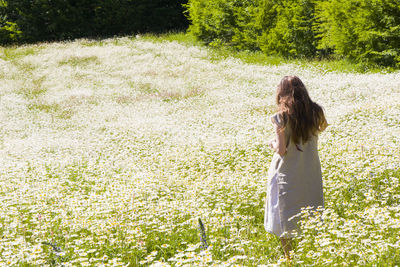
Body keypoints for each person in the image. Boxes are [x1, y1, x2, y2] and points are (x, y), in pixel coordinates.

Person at [264, 75, 328, 260]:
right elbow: (319, 130)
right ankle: (307, 252)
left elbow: (282, 150)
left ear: (281, 93)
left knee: (285, 210)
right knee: (308, 205)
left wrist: (272, 143)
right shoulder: (316, 112)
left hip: (287, 170)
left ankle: (289, 258)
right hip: (309, 168)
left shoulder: (281, 117)